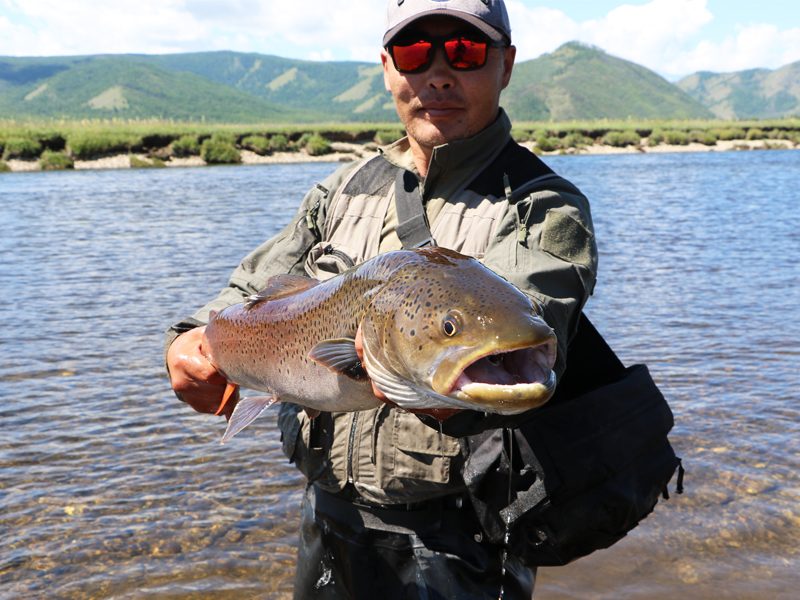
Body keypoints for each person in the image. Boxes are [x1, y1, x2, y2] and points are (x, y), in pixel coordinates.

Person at [166, 0, 598, 597]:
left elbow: (529, 329)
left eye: (466, 50)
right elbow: (249, 291)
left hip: (460, 537)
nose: (438, 74)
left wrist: (448, 380)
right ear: (389, 68)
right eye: (415, 52)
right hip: (327, 513)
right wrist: (188, 342)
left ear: (505, 65)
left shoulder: (543, 208)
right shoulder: (340, 191)